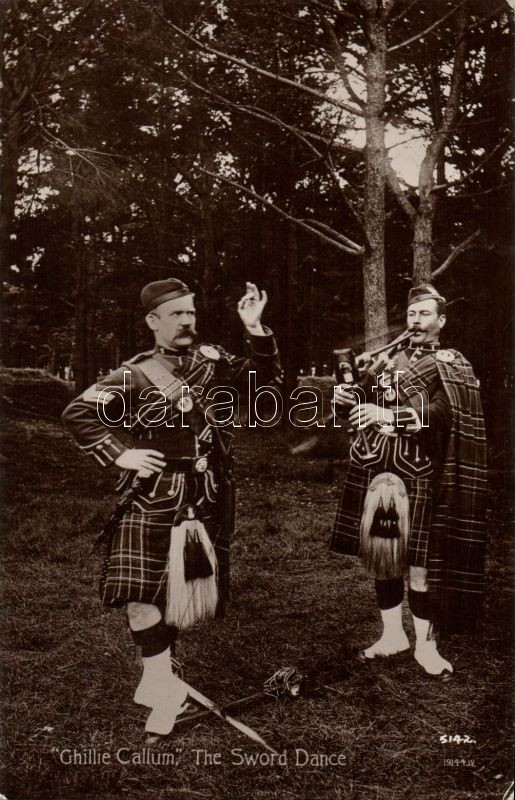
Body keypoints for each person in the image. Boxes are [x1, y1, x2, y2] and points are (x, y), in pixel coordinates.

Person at [62, 278, 280, 740]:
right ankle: (165, 692)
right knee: (140, 597)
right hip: (152, 496)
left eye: (191, 313)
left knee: (175, 596)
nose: (186, 322)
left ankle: (156, 678)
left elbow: (268, 386)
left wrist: (255, 327)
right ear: (153, 322)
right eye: (176, 314)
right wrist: (120, 454)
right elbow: (78, 413)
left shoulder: (213, 362)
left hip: (204, 495)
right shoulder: (134, 373)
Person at [330, 284, 487, 680]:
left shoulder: (452, 363)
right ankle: (392, 636)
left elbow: (444, 414)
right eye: (412, 314)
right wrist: (347, 398)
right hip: (380, 471)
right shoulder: (388, 360)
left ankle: (426, 647)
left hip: (423, 476)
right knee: (384, 558)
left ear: (441, 320)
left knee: (420, 566)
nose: (415, 321)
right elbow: (361, 399)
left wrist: (387, 417)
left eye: (424, 314)